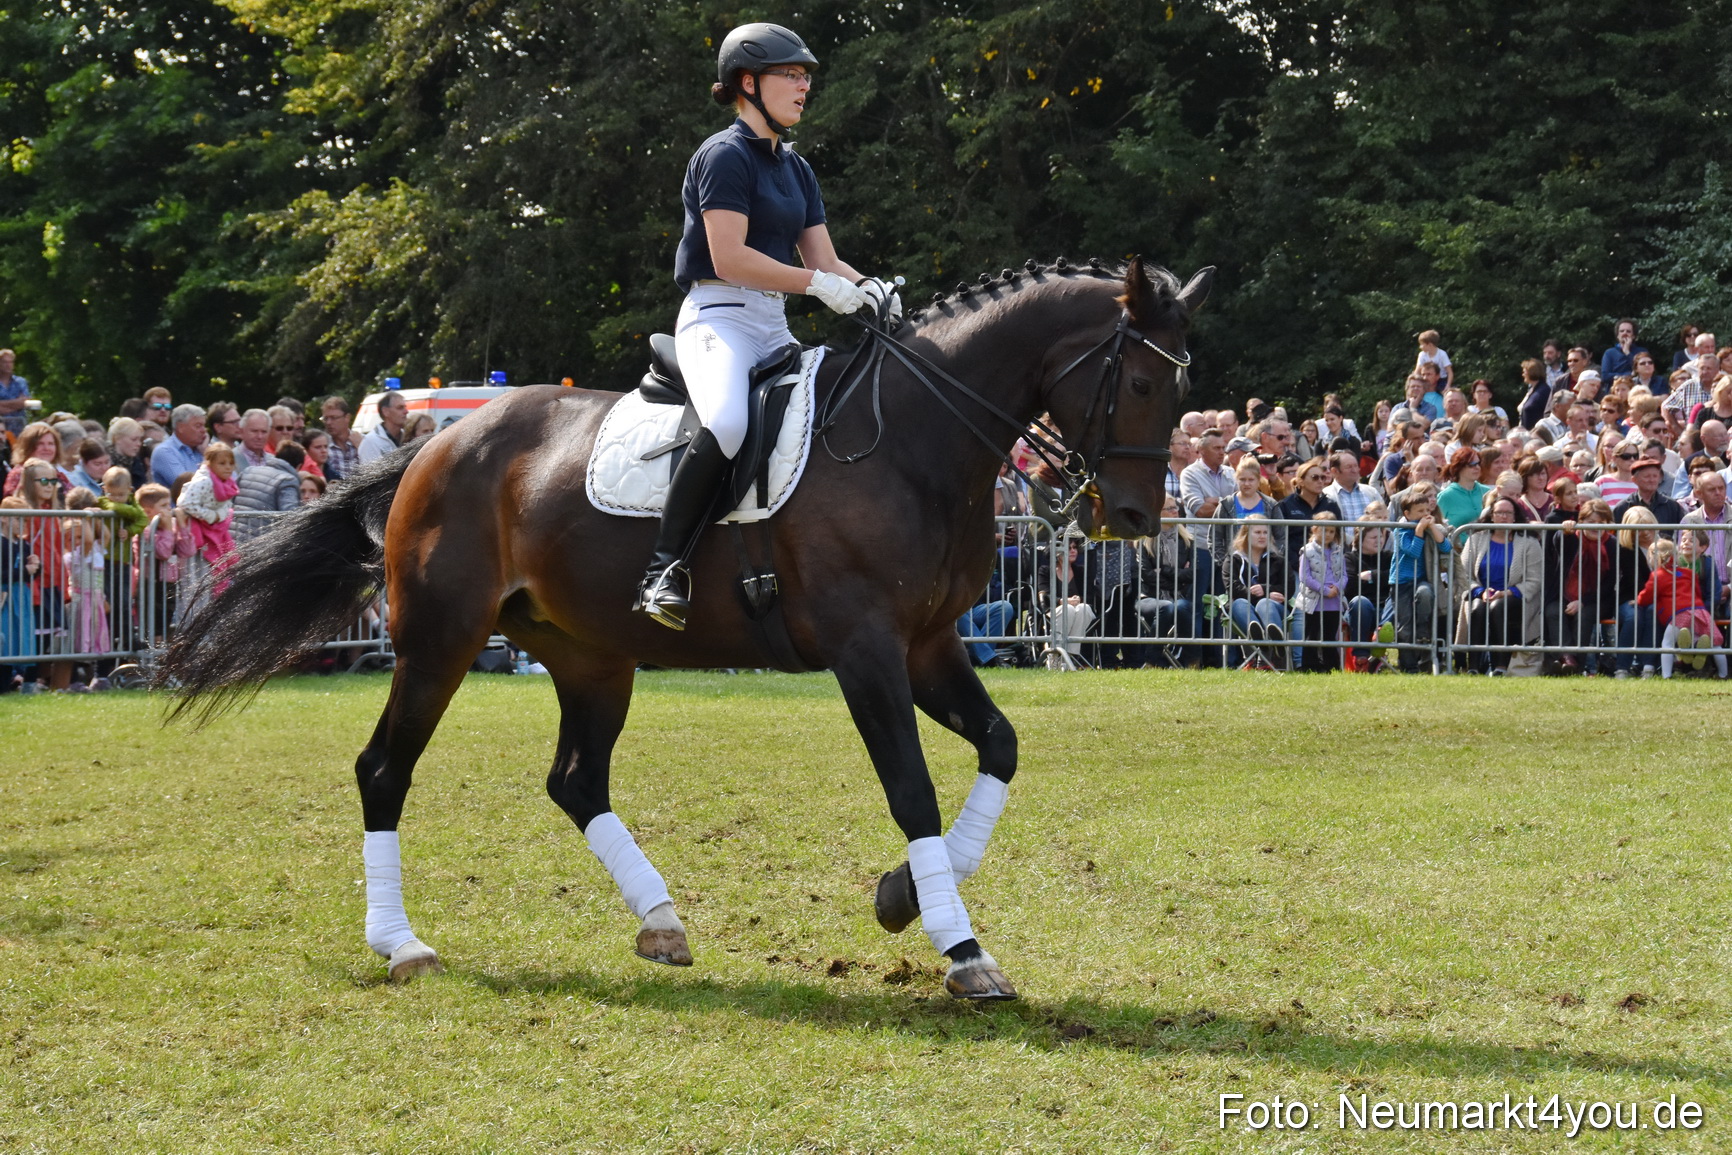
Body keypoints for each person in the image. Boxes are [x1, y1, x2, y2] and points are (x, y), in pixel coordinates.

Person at [631, 23, 893, 629]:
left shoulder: (796, 169)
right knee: (725, 421)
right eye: (792, 75)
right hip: (717, 317)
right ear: (748, 84)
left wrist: (871, 290)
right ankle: (662, 570)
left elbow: (824, 262)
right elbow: (731, 258)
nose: (805, 87)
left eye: (807, 77)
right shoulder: (723, 156)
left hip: (772, 326)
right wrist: (817, 287)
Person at [1454, 494, 1540, 675]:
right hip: (1481, 593)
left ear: (1515, 516)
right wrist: (1480, 591)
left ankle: (1500, 666)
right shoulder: (1476, 539)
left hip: (1515, 597)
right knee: (1477, 608)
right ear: (1491, 515)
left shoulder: (1529, 543)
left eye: (1508, 513)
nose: (1503, 517)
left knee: (1498, 607)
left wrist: (1508, 592)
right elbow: (1462, 575)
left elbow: (1535, 580)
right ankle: (1474, 667)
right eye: (1499, 512)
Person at [1637, 537, 1726, 679]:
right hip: (1699, 611)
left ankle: (1666, 676)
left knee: (1667, 643)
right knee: (1715, 644)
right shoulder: (1689, 573)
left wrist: (1638, 601)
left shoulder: (1658, 575)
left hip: (1679, 614)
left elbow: (1647, 595)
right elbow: (1696, 592)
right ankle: (1723, 674)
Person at [1389, 482, 1450, 673]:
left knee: (1425, 594)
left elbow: (1446, 548)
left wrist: (1432, 529)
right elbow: (1413, 552)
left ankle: (1423, 629)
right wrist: (1419, 531)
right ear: (1407, 513)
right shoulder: (1401, 530)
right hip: (1401, 582)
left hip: (1421, 579)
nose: (1424, 515)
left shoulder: (1430, 527)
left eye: (1426, 510)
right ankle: (1408, 666)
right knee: (1404, 627)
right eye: (1419, 511)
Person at [1224, 517, 1293, 670]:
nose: (1262, 536)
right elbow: (1232, 588)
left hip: (1274, 608)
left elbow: (1288, 588)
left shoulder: (1278, 560)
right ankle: (1262, 642)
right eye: (1257, 532)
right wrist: (1263, 592)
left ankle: (1271, 646)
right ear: (1246, 534)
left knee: (1264, 604)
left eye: (1265, 532)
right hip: (1243, 608)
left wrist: (1265, 590)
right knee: (1239, 602)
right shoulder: (1233, 560)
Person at [1295, 512, 1346, 672]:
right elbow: (1305, 577)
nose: (1328, 534)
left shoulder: (1338, 551)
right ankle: (1310, 665)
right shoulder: (1307, 551)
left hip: (1334, 600)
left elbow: (1344, 574)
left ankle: (1331, 666)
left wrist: (1337, 588)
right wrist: (1323, 590)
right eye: (1324, 530)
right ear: (1315, 529)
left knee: (1330, 634)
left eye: (1331, 531)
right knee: (1313, 633)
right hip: (1315, 600)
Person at [1613, 507, 1658, 677]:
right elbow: (1634, 581)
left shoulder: (1666, 544)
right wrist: (1642, 598)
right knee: (1634, 617)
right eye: (1638, 530)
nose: (1645, 533)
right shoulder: (1625, 550)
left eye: (1648, 527)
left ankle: (1648, 666)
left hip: (1657, 598)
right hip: (1630, 597)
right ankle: (1622, 667)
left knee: (1653, 612)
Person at [0, 495, 40, 687]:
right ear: (4, 518)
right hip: (4, 597)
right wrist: (24, 570)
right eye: (18, 518)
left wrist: (35, 567)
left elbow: (29, 574)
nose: (22, 524)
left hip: (20, 597)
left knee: (21, 637)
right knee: (5, 638)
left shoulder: (22, 544)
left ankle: (23, 681)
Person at [232, 440, 301, 545]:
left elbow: (230, 499)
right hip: (257, 545)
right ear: (299, 466)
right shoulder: (288, 480)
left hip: (231, 539)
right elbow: (291, 516)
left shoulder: (249, 470)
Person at [1274, 457, 1340, 564]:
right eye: (1315, 477)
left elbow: (1338, 537)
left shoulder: (1331, 505)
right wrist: (1298, 564)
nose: (1320, 481)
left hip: (1327, 565)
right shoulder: (1285, 505)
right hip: (1294, 565)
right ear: (1301, 481)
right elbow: (1281, 540)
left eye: (1322, 477)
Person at [149, 404, 208, 490]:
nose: (204, 430)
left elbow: (232, 481)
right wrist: (207, 458)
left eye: (204, 425)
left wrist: (206, 452)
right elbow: (188, 487)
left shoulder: (204, 448)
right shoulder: (164, 452)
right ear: (180, 427)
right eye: (198, 426)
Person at [1435, 447, 1492, 529]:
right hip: (1456, 541)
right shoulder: (1445, 496)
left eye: (1478, 463)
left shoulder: (1488, 492)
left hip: (1484, 541)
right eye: (1471, 464)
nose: (1477, 467)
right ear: (1459, 467)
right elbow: (1438, 526)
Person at [358, 392, 407, 466]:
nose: (406, 411)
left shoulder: (408, 437)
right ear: (385, 411)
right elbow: (370, 475)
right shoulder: (371, 442)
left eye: (405, 407)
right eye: (400, 408)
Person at [320, 397, 361, 481]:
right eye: (325, 418)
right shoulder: (323, 446)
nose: (328, 422)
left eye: (333, 418)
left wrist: (362, 447)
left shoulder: (361, 440)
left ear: (347, 418)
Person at [1599, 319, 1647, 383]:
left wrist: (1627, 353)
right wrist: (1629, 375)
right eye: (1622, 331)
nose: (1625, 333)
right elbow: (1605, 376)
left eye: (1628, 331)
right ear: (1618, 336)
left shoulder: (1641, 352)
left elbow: (1643, 371)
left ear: (1633, 336)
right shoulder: (1609, 353)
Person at [0, 349, 30, 438]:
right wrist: (16, 404)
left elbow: (25, 402)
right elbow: (19, 403)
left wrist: (2, 405)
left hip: (19, 430)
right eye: (5, 362)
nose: (8, 365)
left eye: (10, 362)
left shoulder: (20, 382)